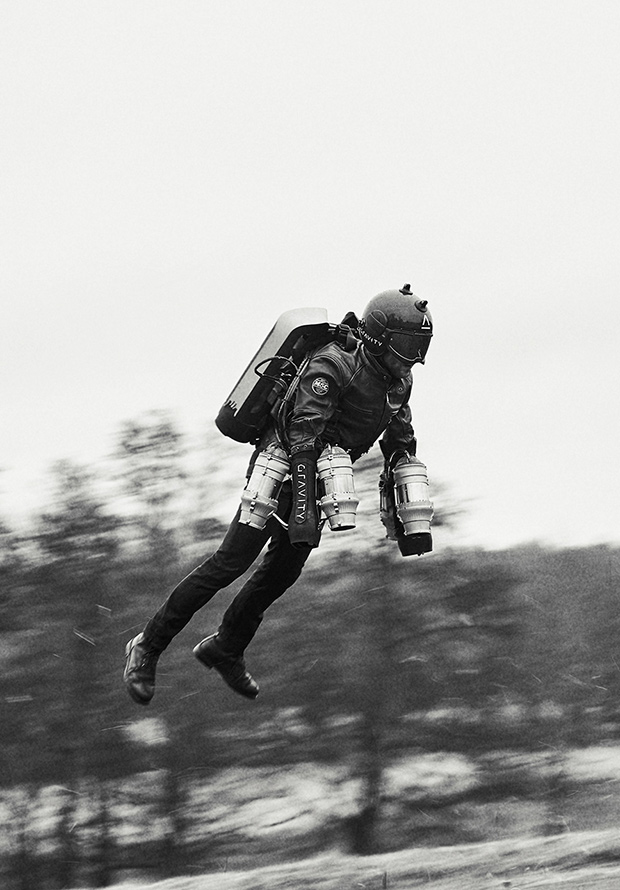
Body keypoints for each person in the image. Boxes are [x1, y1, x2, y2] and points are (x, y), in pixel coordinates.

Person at [123, 284, 433, 704]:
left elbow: (399, 436)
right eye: (403, 349)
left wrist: (405, 488)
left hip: (323, 476)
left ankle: (225, 646)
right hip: (283, 466)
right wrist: (302, 507)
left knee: (282, 573)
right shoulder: (333, 364)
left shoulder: (399, 382)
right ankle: (147, 646)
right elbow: (304, 432)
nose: (408, 360)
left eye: (416, 350)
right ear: (379, 338)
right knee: (230, 563)